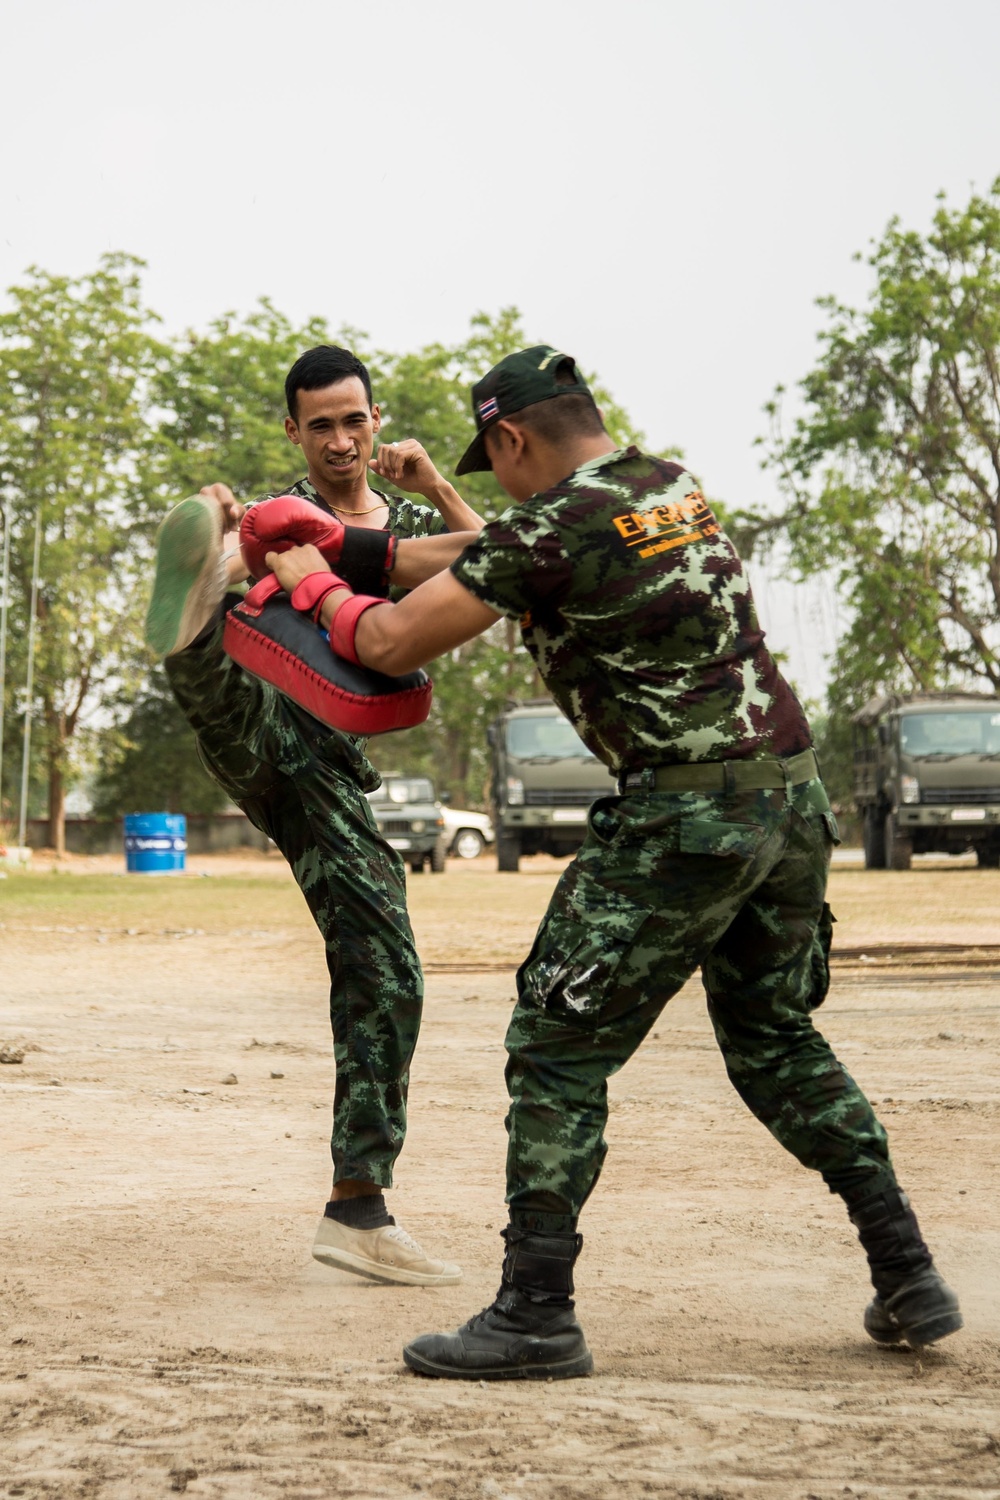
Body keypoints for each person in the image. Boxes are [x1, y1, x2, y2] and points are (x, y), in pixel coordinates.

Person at [263, 345, 964, 1378]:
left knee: (555, 1044)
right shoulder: (665, 487)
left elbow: (390, 645)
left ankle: (535, 1312)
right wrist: (351, 542)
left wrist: (307, 579)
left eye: (492, 460)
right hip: (789, 798)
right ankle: (907, 1271)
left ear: (511, 437)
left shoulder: (554, 526)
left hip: (683, 817)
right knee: (774, 1038)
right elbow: (497, 551)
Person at [145, 344, 484, 1287]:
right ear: (294, 431)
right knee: (227, 648)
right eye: (320, 424)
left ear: (377, 421)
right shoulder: (285, 513)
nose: (340, 439)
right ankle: (196, 621)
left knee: (383, 966)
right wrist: (238, 534)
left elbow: (509, 565)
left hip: (325, 763)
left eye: (354, 419)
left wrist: (444, 487)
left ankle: (357, 1205)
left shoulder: (409, 517)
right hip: (266, 716)